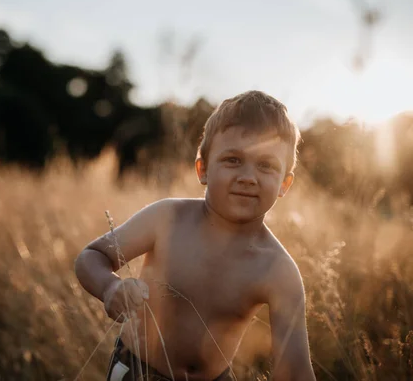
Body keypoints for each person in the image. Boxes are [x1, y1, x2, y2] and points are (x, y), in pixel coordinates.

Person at [74, 90, 316, 381]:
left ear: (284, 183)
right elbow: (92, 256)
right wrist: (109, 288)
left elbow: (296, 372)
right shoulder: (167, 219)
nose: (248, 177)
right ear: (203, 169)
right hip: (137, 371)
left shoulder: (278, 271)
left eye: (266, 165)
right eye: (233, 160)